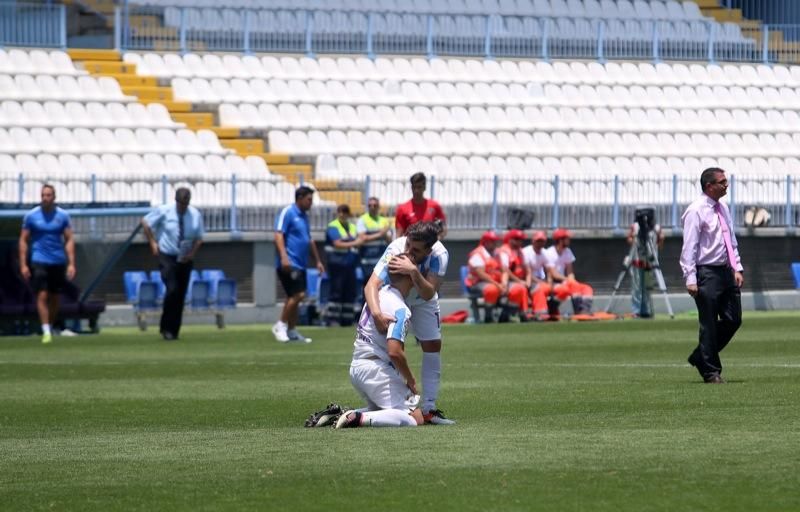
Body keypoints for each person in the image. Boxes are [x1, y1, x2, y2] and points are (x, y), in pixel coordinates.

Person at [363, 221, 455, 425]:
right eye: (408, 245)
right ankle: (388, 403)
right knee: (392, 347)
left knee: (432, 345)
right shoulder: (395, 248)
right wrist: (377, 313)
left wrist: (413, 271)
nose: (407, 251)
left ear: (429, 250)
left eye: (415, 249)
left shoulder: (440, 255)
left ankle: (429, 408)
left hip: (423, 300)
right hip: (396, 296)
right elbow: (371, 285)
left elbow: (429, 292)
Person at [335, 261, 425, 429]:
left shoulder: (377, 294)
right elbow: (395, 352)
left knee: (379, 410)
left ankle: (341, 414)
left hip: (357, 367)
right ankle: (355, 418)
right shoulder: (400, 308)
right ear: (411, 278)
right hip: (375, 370)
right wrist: (411, 380)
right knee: (415, 418)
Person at [680, 167, 743, 384]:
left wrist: (737, 267)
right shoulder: (696, 211)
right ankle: (711, 372)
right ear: (709, 186)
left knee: (733, 319)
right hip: (706, 272)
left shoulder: (723, 208)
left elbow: (730, 239)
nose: (726, 185)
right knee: (708, 322)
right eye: (722, 182)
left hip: (726, 270)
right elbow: (690, 246)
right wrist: (690, 277)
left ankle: (701, 356)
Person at [141, 187, 204, 341]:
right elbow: (145, 222)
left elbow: (199, 237)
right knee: (172, 289)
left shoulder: (195, 215)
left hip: (185, 258)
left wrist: (191, 254)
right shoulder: (164, 211)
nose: (183, 207)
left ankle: (174, 330)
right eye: (181, 204)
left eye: (186, 204)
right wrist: (152, 243)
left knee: (181, 294)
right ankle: (165, 327)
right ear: (176, 201)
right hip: (167, 255)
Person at [18, 184, 75, 344]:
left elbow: (69, 239)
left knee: (55, 297)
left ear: (54, 197)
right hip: (39, 260)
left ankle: (49, 325)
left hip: (58, 261)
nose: (45, 198)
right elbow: (23, 240)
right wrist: (23, 264)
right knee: (42, 294)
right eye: (43, 195)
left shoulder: (63, 216)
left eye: (48, 195)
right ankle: (46, 331)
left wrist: (71, 264)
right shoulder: (32, 216)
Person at [272, 185, 325, 343]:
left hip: (301, 264)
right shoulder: (288, 212)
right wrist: (284, 257)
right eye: (309, 199)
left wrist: (318, 261)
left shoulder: (304, 216)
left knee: (294, 296)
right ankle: (280, 325)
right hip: (290, 262)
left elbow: (308, 240)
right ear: (300, 198)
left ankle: (292, 330)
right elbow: (278, 234)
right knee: (298, 295)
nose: (311, 203)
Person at [323, 204, 362, 327]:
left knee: (349, 292)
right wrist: (356, 242)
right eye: (340, 212)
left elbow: (359, 240)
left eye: (345, 212)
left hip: (350, 264)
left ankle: (347, 320)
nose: (342, 214)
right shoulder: (333, 226)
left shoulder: (352, 227)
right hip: (337, 264)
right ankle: (333, 320)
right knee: (336, 292)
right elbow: (337, 243)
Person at [543, 228, 594, 317]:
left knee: (587, 288)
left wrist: (572, 280)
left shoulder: (567, 251)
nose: (569, 240)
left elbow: (570, 271)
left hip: (565, 281)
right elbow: (553, 274)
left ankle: (584, 310)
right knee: (570, 287)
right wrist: (569, 280)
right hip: (554, 283)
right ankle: (578, 311)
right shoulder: (549, 252)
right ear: (560, 240)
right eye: (567, 238)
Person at [626, 214, 664, 318]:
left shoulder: (656, 228)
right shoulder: (635, 226)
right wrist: (634, 238)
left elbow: (660, 244)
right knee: (636, 287)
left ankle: (646, 310)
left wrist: (661, 239)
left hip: (650, 263)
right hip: (637, 261)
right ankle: (636, 311)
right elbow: (629, 239)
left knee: (648, 287)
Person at [464, 230, 505, 322]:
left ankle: (505, 317)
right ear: (485, 242)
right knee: (491, 289)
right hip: (477, 284)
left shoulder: (497, 253)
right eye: (492, 241)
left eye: (495, 241)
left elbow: (504, 270)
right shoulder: (478, 253)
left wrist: (504, 283)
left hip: (495, 282)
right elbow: (481, 274)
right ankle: (488, 316)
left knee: (516, 289)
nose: (495, 243)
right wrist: (498, 285)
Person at [394, 172, 447, 239]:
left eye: (419, 187)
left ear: (424, 187)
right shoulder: (402, 209)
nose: (416, 191)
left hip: (430, 247)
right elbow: (398, 234)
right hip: (411, 247)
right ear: (411, 187)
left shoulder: (434, 206)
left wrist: (436, 240)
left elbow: (443, 228)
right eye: (414, 187)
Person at [496, 229, 531, 320]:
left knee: (537, 288)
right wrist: (520, 281)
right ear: (510, 239)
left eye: (521, 239)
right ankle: (510, 315)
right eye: (517, 239)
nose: (520, 242)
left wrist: (528, 281)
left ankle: (538, 315)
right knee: (520, 288)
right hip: (505, 280)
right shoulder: (504, 251)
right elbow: (505, 270)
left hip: (519, 280)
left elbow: (527, 269)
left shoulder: (520, 251)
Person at [356, 197, 393, 280]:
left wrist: (385, 235)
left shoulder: (384, 220)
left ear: (378, 207)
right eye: (370, 205)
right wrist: (380, 234)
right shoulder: (362, 220)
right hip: (367, 261)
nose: (372, 207)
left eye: (375, 205)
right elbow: (362, 238)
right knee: (367, 287)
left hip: (381, 261)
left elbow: (390, 241)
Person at [523, 230, 552, 319]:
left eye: (542, 241)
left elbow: (549, 270)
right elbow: (527, 272)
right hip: (527, 279)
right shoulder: (526, 252)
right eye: (538, 241)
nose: (540, 243)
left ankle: (552, 310)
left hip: (539, 279)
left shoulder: (545, 252)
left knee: (550, 288)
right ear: (533, 241)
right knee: (539, 288)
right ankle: (541, 313)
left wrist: (550, 282)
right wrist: (540, 282)